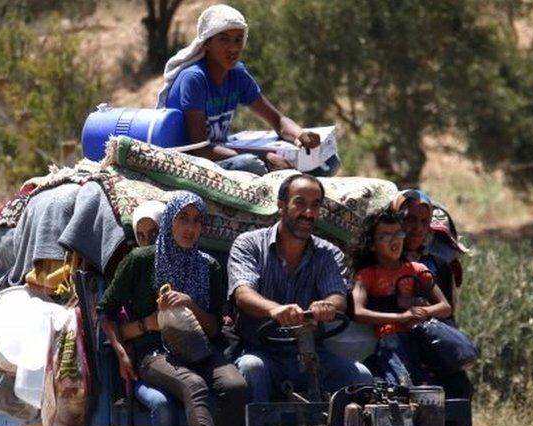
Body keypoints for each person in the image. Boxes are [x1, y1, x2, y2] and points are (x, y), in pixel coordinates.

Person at [98, 191, 247, 426]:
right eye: (182, 219)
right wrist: (123, 353)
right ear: (169, 221)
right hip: (153, 355)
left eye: (196, 221)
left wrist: (191, 304)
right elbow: (105, 312)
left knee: (235, 386)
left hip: (199, 349)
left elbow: (214, 328)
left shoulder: (209, 266)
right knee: (193, 385)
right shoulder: (141, 261)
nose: (190, 228)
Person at [229, 174, 373, 403]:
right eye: (300, 203)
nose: (308, 213)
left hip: (313, 355)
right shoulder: (249, 244)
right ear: (281, 206)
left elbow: (338, 297)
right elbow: (243, 294)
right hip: (262, 353)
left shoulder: (328, 253)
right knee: (252, 368)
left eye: (315, 206)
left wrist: (326, 307)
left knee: (361, 377)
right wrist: (274, 310)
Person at [157, 4, 337, 177]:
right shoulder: (194, 78)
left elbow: (278, 120)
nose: (233, 48)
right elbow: (201, 149)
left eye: (238, 40)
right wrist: (265, 156)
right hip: (193, 160)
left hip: (222, 151)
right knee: (250, 164)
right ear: (206, 43)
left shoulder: (237, 74)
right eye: (224, 39)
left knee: (328, 161)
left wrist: (300, 135)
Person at [350, 208, 453, 387]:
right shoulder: (367, 275)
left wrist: (423, 311)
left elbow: (445, 307)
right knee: (402, 386)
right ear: (372, 244)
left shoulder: (417, 270)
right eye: (385, 235)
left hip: (420, 338)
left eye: (398, 233)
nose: (395, 239)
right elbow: (358, 312)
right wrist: (401, 317)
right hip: (391, 340)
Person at [391, 189, 474, 399]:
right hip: (389, 345)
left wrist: (424, 309)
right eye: (409, 219)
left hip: (429, 349)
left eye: (423, 221)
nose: (417, 228)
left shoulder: (436, 266)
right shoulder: (379, 262)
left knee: (459, 389)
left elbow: (447, 314)